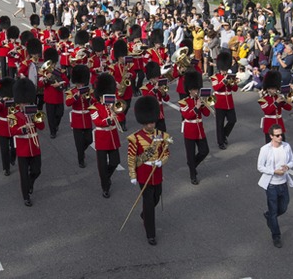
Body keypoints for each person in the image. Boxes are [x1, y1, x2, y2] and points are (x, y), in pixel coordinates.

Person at [127, 95, 171, 246]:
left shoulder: (161, 136)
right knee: (148, 201)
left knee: (156, 197)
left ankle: (144, 214)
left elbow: (166, 154)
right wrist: (133, 174)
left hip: (157, 173)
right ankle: (150, 234)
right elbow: (132, 157)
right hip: (144, 174)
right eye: (149, 122)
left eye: (153, 122)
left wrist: (161, 161)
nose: (151, 125)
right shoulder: (135, 138)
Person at [257, 125, 293, 249]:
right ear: (271, 136)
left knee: (283, 207)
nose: (280, 137)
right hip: (271, 185)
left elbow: (292, 161)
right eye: (277, 135)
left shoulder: (286, 146)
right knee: (274, 211)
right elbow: (260, 167)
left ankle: (268, 215)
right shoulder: (265, 149)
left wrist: (287, 167)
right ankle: (276, 236)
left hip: (283, 183)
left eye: (281, 134)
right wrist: (274, 171)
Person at [11, 78, 44, 206]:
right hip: (23, 147)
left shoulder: (34, 112)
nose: (25, 105)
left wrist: (35, 119)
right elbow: (12, 130)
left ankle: (30, 184)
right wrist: (22, 129)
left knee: (37, 170)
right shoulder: (14, 115)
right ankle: (26, 197)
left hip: (35, 146)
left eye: (27, 102)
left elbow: (42, 127)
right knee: (23, 174)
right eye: (23, 103)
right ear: (19, 103)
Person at [90, 73, 122, 198]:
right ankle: (105, 187)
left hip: (113, 137)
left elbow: (121, 116)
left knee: (115, 162)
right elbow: (97, 121)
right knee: (102, 166)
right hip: (102, 138)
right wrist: (108, 119)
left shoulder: (113, 105)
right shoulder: (94, 107)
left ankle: (105, 178)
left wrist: (115, 113)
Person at [179, 70, 210, 185]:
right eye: (194, 89)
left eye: (197, 89)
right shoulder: (183, 102)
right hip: (190, 129)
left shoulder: (199, 99)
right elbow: (187, 115)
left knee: (204, 151)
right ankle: (193, 175)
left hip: (199, 130)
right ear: (189, 90)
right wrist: (196, 107)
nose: (196, 91)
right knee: (190, 154)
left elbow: (206, 114)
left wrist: (204, 104)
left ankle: (192, 165)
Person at [211, 51, 238, 149]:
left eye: (226, 69)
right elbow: (216, 88)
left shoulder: (230, 76)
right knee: (220, 123)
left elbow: (235, 89)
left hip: (229, 102)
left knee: (232, 120)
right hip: (220, 102)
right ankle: (220, 142)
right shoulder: (215, 77)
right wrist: (224, 81)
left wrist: (233, 83)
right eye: (223, 69)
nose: (224, 71)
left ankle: (224, 135)